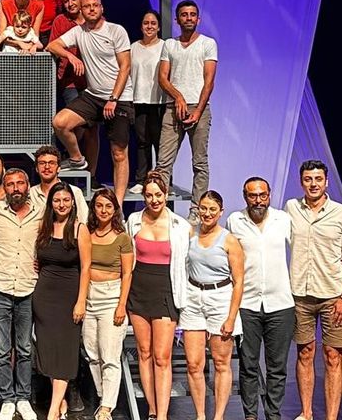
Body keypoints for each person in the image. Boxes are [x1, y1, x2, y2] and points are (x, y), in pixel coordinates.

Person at [285, 160, 342, 420]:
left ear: (326, 182)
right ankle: (306, 413)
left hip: (333, 296)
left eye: (318, 179)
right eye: (308, 179)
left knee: (333, 356)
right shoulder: (291, 208)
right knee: (305, 353)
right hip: (300, 296)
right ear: (301, 181)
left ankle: (330, 417)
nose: (313, 184)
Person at [47, 0, 134, 198]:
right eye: (87, 6)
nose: (92, 9)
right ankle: (77, 159)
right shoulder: (79, 31)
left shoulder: (116, 30)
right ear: (82, 10)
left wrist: (113, 99)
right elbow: (52, 45)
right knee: (60, 123)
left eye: (95, 5)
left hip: (118, 97)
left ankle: (118, 205)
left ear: (102, 8)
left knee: (118, 153)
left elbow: (125, 66)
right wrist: (70, 56)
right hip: (93, 96)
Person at [125, 172, 191, 420]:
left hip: (165, 292)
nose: (154, 200)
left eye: (159, 195)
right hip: (138, 292)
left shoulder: (180, 226)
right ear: (143, 196)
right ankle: (152, 411)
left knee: (162, 357)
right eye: (149, 195)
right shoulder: (133, 221)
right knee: (144, 353)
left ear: (166, 195)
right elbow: (128, 258)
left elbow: (187, 264)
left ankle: (163, 415)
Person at [226, 178, 294, 420]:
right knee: (248, 365)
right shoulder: (235, 220)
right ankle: (250, 415)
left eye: (262, 195)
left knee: (277, 366)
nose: (258, 201)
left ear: (269, 195)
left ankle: (273, 414)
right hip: (247, 304)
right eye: (253, 195)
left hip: (281, 303)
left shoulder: (283, 219)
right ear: (245, 196)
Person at [0, 168, 44, 420]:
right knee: (1, 350)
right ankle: (7, 399)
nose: (15, 188)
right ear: (5, 188)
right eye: (10, 184)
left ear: (27, 186)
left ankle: (23, 397)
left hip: (28, 288)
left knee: (24, 348)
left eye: (20, 183)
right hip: (0, 288)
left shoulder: (41, 212)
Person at [181, 191, 244, 420]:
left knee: (220, 362)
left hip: (220, 299)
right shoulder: (190, 233)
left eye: (212, 209)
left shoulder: (229, 240)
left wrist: (231, 317)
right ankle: (200, 415)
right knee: (193, 363)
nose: (207, 213)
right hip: (193, 297)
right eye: (203, 208)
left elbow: (239, 282)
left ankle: (218, 416)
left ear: (220, 212)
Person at [34, 183, 92, 420]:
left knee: (65, 353)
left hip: (68, 298)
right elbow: (39, 260)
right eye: (57, 200)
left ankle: (52, 411)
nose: (61, 204)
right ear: (51, 203)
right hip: (44, 299)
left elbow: (86, 267)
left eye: (66, 200)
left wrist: (81, 301)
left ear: (73, 202)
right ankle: (61, 401)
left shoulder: (80, 229)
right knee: (48, 352)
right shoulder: (44, 227)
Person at [155, 0, 217, 208]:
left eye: (192, 14)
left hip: (199, 108)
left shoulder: (207, 43)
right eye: (184, 14)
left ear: (198, 19)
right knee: (163, 163)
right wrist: (178, 97)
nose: (188, 18)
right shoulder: (170, 44)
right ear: (177, 19)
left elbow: (209, 80)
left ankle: (197, 210)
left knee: (200, 163)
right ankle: (159, 208)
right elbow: (162, 77)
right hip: (174, 108)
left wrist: (198, 110)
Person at [82, 188, 132, 420]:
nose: (103, 210)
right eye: (99, 205)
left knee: (110, 355)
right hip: (89, 296)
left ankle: (106, 407)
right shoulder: (87, 233)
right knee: (92, 353)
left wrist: (122, 305)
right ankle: (104, 397)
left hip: (111, 297)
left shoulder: (122, 237)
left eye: (108, 206)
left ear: (115, 210)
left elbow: (127, 274)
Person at [49, 0, 100, 175]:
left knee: (92, 130)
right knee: (75, 125)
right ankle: (73, 157)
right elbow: (52, 46)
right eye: (66, 1)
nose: (70, 4)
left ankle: (92, 175)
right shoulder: (61, 21)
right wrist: (70, 56)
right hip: (70, 82)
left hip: (93, 83)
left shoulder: (95, 20)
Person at [130, 11, 166, 191]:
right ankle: (141, 180)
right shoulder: (133, 47)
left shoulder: (165, 47)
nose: (149, 26)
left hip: (159, 101)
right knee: (142, 141)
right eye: (146, 23)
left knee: (160, 143)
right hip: (138, 100)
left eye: (153, 23)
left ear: (158, 27)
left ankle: (163, 180)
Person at [29, 145, 87, 224]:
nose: (47, 167)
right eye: (42, 163)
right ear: (36, 168)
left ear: (59, 168)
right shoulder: (30, 194)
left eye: (51, 163)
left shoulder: (74, 191)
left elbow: (84, 221)